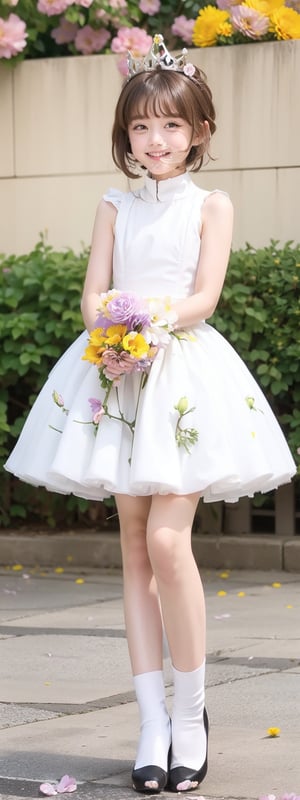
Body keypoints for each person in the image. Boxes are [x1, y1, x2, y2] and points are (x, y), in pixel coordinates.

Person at [5, 34, 296, 796]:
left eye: (170, 125)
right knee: (134, 544)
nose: (154, 140)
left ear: (199, 131)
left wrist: (149, 324)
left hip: (184, 375)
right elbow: (91, 294)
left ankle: (192, 712)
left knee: (169, 540)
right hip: (117, 375)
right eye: (140, 127)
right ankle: (150, 722)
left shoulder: (213, 204)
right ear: (126, 135)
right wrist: (114, 331)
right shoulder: (112, 204)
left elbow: (204, 296)